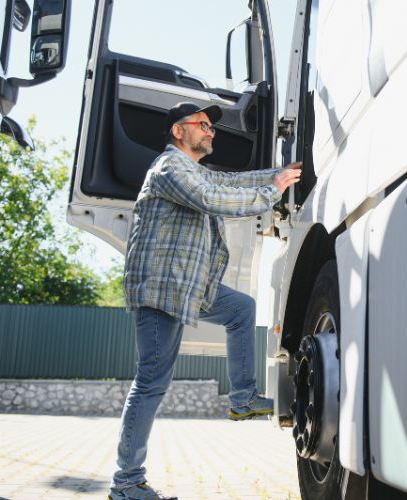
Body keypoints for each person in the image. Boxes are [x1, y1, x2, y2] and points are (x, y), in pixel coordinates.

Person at [107, 102, 301, 500]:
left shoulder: (193, 170)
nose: (211, 131)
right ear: (179, 131)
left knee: (241, 310)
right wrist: (272, 191)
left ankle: (243, 398)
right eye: (203, 125)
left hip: (188, 285)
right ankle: (125, 484)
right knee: (150, 383)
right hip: (162, 289)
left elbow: (229, 185)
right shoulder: (170, 169)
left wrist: (284, 175)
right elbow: (213, 199)